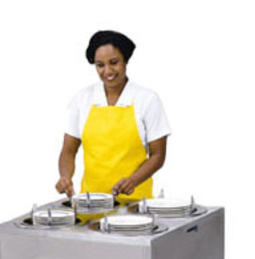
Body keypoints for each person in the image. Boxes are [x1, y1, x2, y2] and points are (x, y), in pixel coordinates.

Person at [56, 30, 171, 200]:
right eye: (100, 65)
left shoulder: (147, 99)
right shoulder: (82, 99)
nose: (107, 71)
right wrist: (65, 177)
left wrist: (133, 181)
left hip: (135, 204)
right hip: (91, 204)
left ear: (125, 60)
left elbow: (158, 155)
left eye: (114, 62)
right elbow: (68, 149)